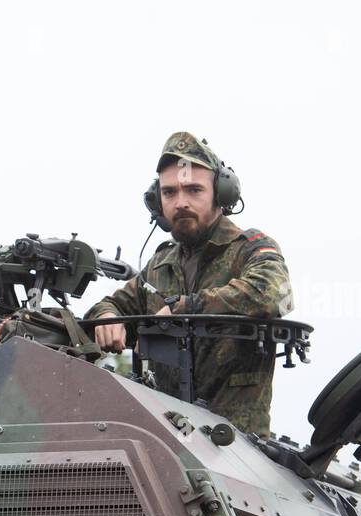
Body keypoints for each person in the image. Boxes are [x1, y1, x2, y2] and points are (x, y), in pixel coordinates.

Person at [86, 133, 292, 434]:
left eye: (194, 190)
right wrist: (106, 317)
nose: (180, 202)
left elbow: (270, 293)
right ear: (157, 202)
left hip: (238, 449)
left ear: (221, 195)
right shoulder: (160, 266)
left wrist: (184, 308)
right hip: (168, 441)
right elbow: (115, 304)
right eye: (169, 193)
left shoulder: (250, 249)